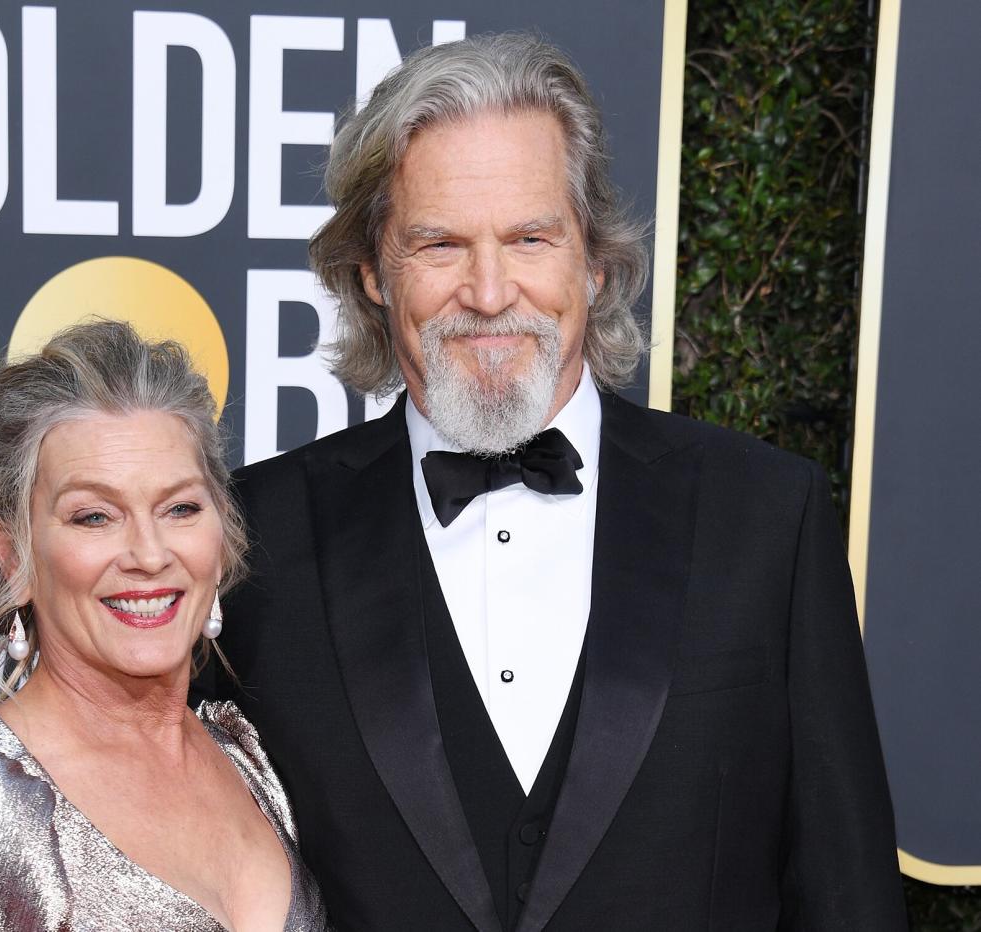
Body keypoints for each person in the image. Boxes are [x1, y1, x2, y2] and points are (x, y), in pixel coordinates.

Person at [215, 33, 908, 931]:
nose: (490, 290)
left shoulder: (767, 518)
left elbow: (847, 897)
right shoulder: (253, 537)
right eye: (439, 245)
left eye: (530, 238)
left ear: (594, 260)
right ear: (372, 277)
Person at [0, 321, 328, 932]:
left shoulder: (248, 757)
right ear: (15, 557)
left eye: (180, 508)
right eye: (94, 516)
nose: (149, 553)